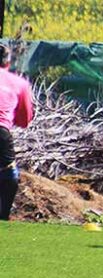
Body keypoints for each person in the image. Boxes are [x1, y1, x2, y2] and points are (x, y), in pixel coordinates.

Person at [0, 44, 34, 221]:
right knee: (9, 172)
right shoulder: (19, 83)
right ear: (8, 62)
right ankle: (3, 215)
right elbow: (25, 119)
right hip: (1, 131)